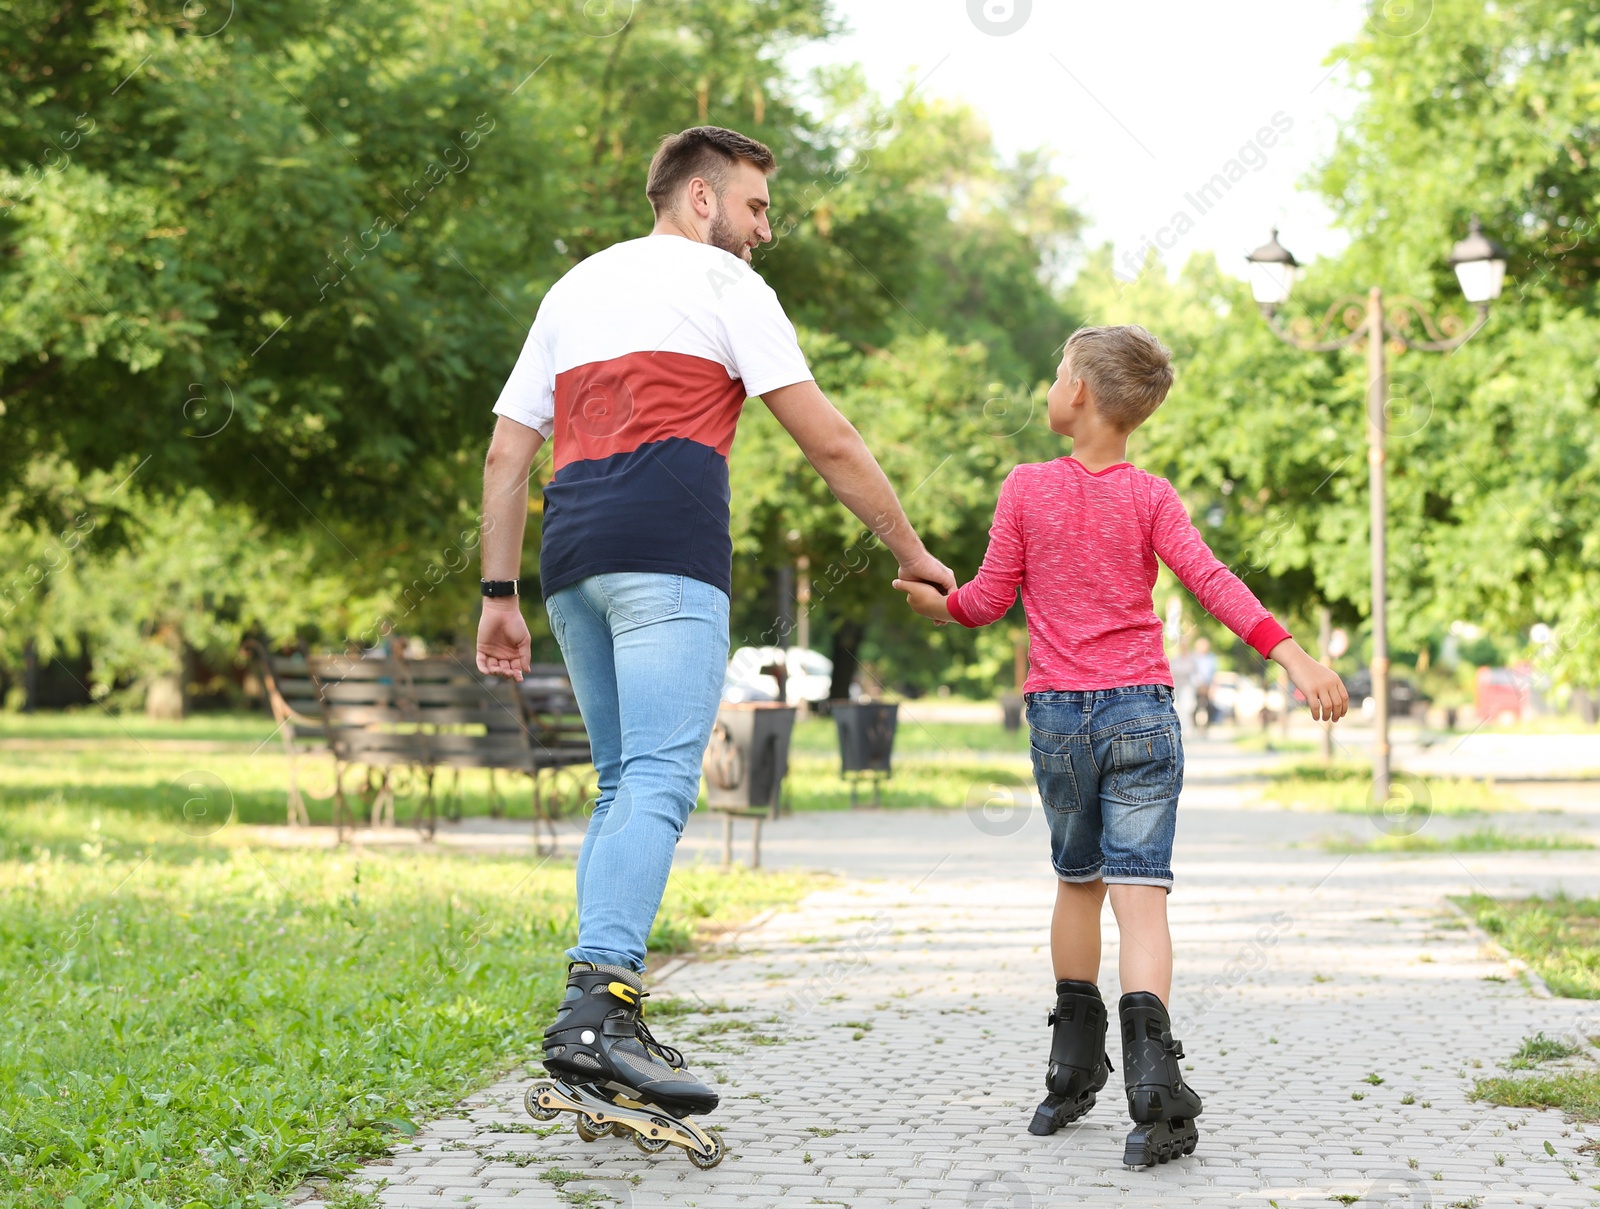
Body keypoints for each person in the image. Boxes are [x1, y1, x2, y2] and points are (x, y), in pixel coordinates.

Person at [475, 125, 954, 1163]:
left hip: (572, 561)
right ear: (701, 200)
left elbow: (510, 447)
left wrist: (497, 594)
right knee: (657, 783)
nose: (763, 232)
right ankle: (596, 1009)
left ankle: (602, 1015)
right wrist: (910, 551)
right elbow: (825, 435)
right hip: (666, 558)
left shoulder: (574, 289)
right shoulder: (725, 287)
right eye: (755, 208)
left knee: (619, 787)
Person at [893, 324, 1346, 1168]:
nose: (1051, 382)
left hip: (1059, 717)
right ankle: (1152, 1090)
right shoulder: (1152, 497)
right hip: (1140, 711)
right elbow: (1212, 581)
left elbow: (987, 599)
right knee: (1143, 898)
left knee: (1077, 883)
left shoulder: (1024, 487)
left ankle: (1069, 1071)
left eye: (1058, 371)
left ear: (1081, 397)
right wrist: (1294, 654)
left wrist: (938, 607)